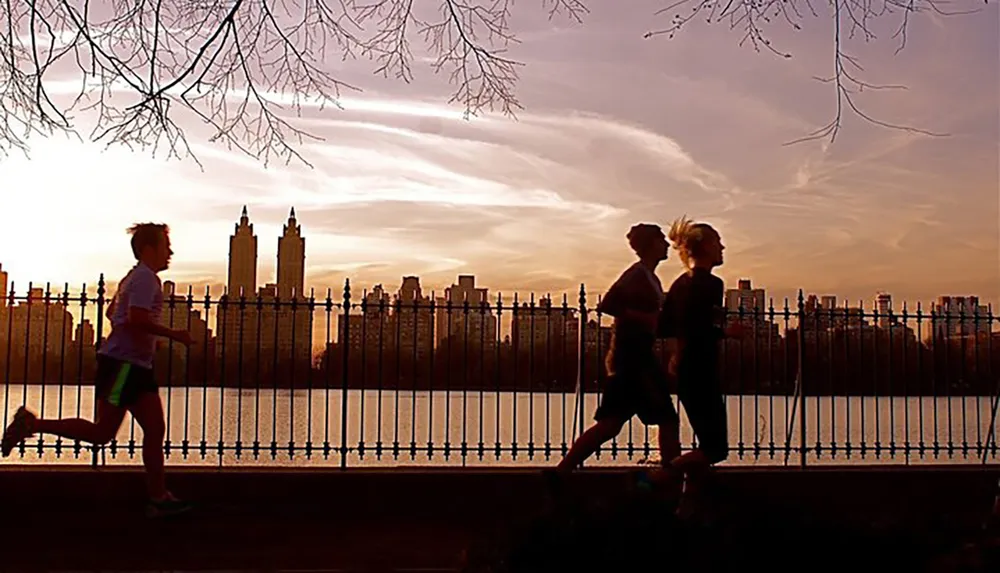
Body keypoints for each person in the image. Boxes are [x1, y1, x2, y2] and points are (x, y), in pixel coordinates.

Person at [1, 223, 195, 518]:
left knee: (146, 430)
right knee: (108, 432)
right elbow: (135, 318)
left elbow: (113, 314)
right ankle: (31, 425)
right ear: (148, 249)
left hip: (132, 366)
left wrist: (146, 340)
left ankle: (159, 497)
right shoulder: (145, 279)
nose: (170, 252)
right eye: (165, 245)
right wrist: (173, 334)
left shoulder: (134, 278)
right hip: (124, 367)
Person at [548, 223, 680, 485]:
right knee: (665, 418)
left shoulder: (648, 277)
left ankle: (562, 471)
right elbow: (608, 304)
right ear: (650, 244)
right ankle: (671, 478)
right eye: (661, 240)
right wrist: (647, 318)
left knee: (612, 423)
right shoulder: (636, 275)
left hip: (631, 357)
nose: (666, 244)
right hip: (633, 359)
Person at [657, 216, 744, 518]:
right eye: (717, 241)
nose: (723, 247)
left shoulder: (679, 284)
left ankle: (686, 503)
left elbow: (668, 325)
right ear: (704, 247)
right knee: (715, 448)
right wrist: (727, 332)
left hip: (684, 369)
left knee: (705, 442)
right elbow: (700, 326)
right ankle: (658, 476)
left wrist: (675, 356)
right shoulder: (711, 284)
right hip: (702, 368)